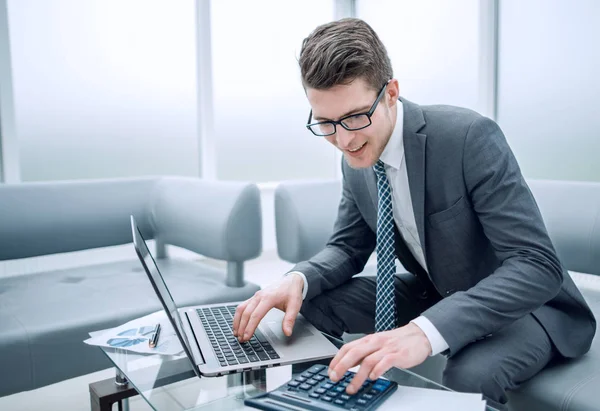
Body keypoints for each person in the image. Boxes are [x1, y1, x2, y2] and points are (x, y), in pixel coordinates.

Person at [232, 18, 595, 409]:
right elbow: (347, 247)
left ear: (391, 93)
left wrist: (425, 332)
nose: (343, 139)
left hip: (525, 307)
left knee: (467, 377)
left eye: (355, 117)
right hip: (436, 289)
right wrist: (297, 279)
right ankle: (318, 402)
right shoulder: (355, 160)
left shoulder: (467, 137)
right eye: (326, 123)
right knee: (306, 308)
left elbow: (536, 265)